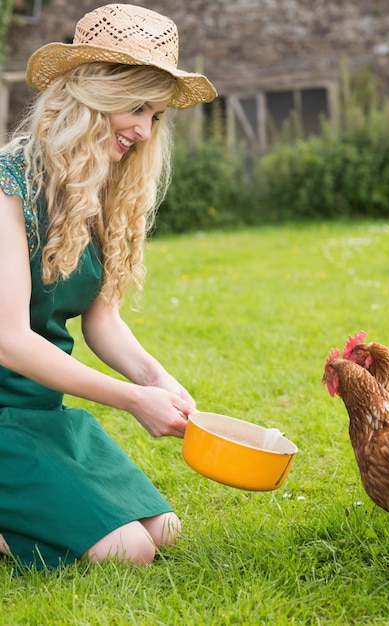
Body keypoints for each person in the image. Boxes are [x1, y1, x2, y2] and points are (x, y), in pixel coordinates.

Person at [0, 3, 216, 570]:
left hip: (37, 411)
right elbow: (10, 342)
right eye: (137, 108)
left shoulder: (97, 193)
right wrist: (130, 400)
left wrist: (157, 380)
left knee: (162, 530)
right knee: (130, 552)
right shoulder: (9, 183)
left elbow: (102, 319)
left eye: (157, 116)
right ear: (90, 94)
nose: (144, 131)